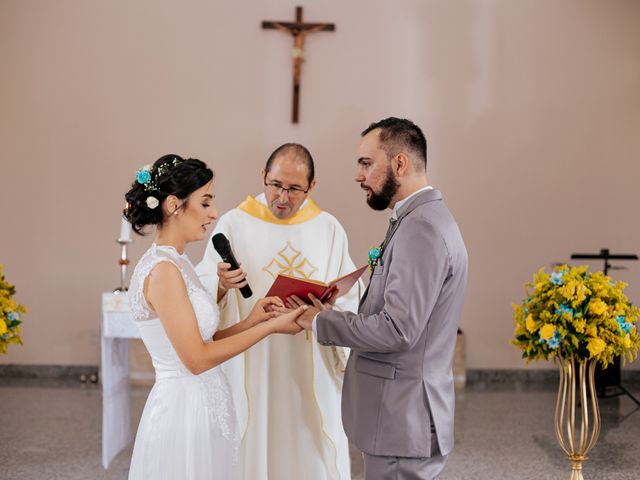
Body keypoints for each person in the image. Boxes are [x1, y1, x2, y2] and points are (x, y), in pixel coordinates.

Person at [294, 118, 468, 480]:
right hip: (401, 416)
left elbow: (398, 329)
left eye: (366, 163)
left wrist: (320, 321)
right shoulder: (420, 218)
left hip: (402, 417)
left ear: (400, 163)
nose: (359, 175)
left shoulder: (421, 227)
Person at [123, 154, 306, 480]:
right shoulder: (163, 271)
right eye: (205, 203)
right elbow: (196, 359)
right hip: (183, 414)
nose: (214, 213)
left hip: (202, 406)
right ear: (173, 206)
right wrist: (271, 329)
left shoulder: (178, 263)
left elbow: (202, 340)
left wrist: (254, 321)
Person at [196, 143, 362, 480]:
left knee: (308, 442)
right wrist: (221, 285)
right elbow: (201, 287)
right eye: (275, 185)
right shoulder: (233, 223)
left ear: (311, 187)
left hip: (308, 356)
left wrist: (328, 307)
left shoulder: (328, 228)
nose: (282, 197)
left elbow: (349, 296)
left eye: (294, 189)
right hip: (252, 359)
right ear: (263, 176)